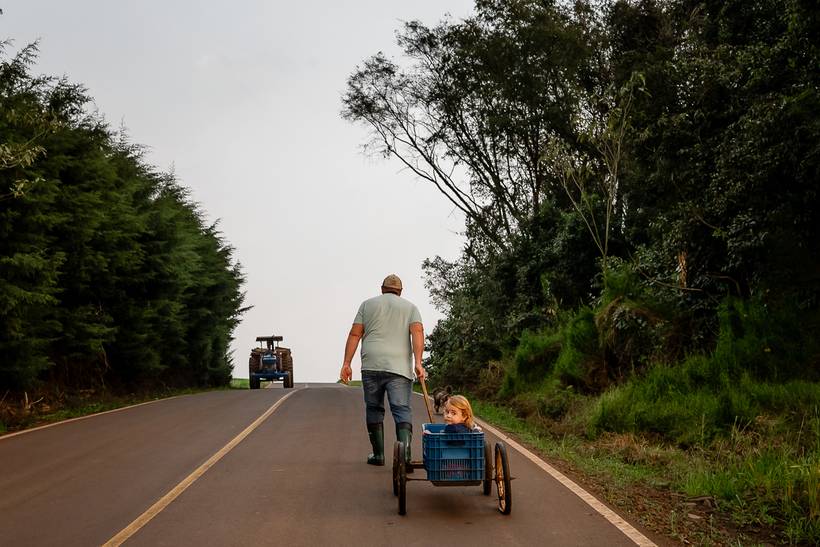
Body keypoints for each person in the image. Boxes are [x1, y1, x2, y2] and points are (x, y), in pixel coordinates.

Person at [340, 274, 424, 466]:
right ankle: (406, 457)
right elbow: (417, 333)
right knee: (401, 409)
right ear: (400, 291)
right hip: (399, 367)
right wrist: (418, 362)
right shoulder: (410, 308)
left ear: (382, 289)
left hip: (371, 365)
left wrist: (346, 363)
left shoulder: (366, 305)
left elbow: (355, 333)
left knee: (374, 408)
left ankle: (378, 455)